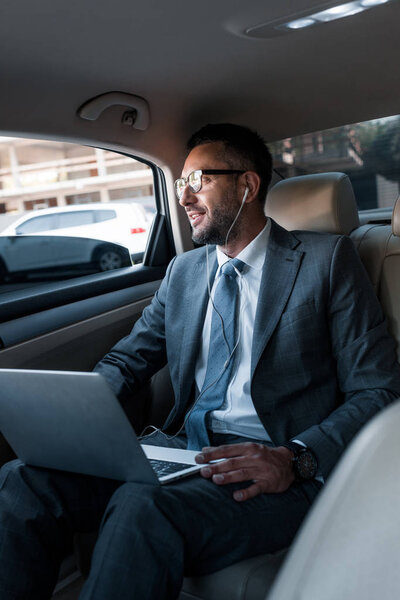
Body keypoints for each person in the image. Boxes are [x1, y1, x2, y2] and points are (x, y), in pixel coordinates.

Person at [0, 123, 399, 600]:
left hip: (271, 466)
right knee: (22, 478)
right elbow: (129, 360)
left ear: (247, 185)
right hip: (183, 452)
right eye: (179, 182)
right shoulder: (184, 271)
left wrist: (295, 457)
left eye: (197, 180)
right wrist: (71, 420)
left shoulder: (326, 260)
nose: (184, 197)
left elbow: (377, 389)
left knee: (142, 504)